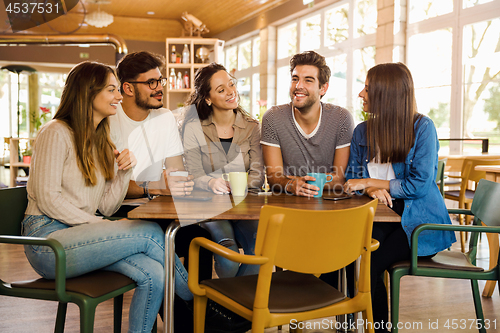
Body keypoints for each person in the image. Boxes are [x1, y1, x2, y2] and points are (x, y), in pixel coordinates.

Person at [22, 61, 164, 333]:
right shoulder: (56, 132)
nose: (120, 97)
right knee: (150, 233)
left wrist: (125, 171)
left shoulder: (101, 139)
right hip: (47, 243)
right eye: (112, 90)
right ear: (88, 92)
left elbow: (106, 207)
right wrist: (98, 224)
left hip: (81, 237)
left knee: (154, 274)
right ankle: (196, 300)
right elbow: (48, 199)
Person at [343, 62, 456, 332]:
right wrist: (369, 188)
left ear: (386, 93)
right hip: (381, 214)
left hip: (417, 222)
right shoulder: (362, 131)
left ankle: (379, 329)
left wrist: (369, 181)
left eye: (368, 89)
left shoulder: (422, 128)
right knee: (357, 254)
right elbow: (352, 178)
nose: (361, 94)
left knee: (371, 266)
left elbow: (418, 185)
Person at [181, 63, 264, 278]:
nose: (231, 92)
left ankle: (234, 308)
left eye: (231, 84)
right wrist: (210, 182)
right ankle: (230, 306)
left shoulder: (253, 127)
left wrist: (242, 186)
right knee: (228, 260)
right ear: (208, 99)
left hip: (245, 207)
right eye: (221, 89)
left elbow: (258, 173)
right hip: (211, 209)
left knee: (260, 250)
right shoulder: (193, 129)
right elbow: (193, 172)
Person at [261, 50, 354, 197]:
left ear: (323, 88)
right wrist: (291, 185)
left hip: (328, 204)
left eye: (308, 80)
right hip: (286, 204)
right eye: (295, 79)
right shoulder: (273, 117)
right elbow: (273, 176)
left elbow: (340, 177)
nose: (298, 86)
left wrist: (303, 185)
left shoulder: (341, 118)